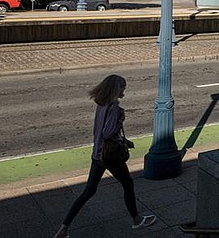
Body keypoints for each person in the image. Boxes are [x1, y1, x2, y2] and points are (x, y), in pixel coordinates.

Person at [53, 75, 156, 238]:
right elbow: (108, 133)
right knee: (128, 184)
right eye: (123, 88)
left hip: (97, 154)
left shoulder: (101, 104)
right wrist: (120, 122)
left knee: (88, 191)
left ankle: (63, 228)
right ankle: (136, 220)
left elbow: (100, 132)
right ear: (116, 89)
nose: (124, 91)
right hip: (110, 157)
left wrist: (123, 140)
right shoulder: (114, 107)